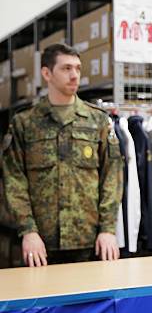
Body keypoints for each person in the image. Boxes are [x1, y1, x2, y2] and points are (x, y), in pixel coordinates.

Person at [2, 43, 123, 266]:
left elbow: (112, 176)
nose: (74, 75)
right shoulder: (25, 123)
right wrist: (28, 230)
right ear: (47, 73)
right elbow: (14, 180)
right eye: (66, 68)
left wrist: (107, 229)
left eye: (78, 68)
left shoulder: (97, 120)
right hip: (39, 243)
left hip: (89, 240)